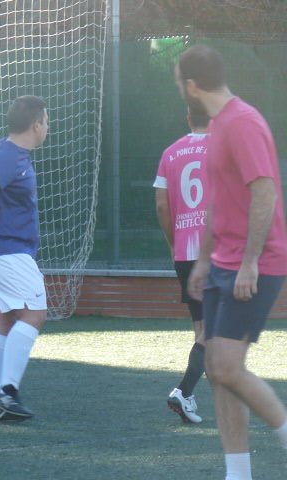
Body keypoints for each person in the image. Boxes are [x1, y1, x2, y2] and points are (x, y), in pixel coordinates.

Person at [178, 45, 287, 479]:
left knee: (224, 365)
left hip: (255, 263)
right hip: (222, 263)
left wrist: (249, 263)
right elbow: (219, 201)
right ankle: (237, 473)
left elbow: (265, 192)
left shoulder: (243, 122)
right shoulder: (219, 125)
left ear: (191, 85)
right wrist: (204, 260)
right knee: (218, 369)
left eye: (179, 83)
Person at [0, 96, 48, 422]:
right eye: (46, 121)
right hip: (6, 251)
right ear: (36, 125)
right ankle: (7, 392)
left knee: (1, 320)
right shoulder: (9, 154)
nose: (47, 127)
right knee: (35, 313)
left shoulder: (8, 151)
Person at [153, 105, 209, 424]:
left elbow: (162, 204)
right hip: (216, 252)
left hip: (184, 251)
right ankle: (184, 391)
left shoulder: (170, 152)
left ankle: (192, 395)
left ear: (188, 118)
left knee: (202, 327)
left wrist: (174, 240)